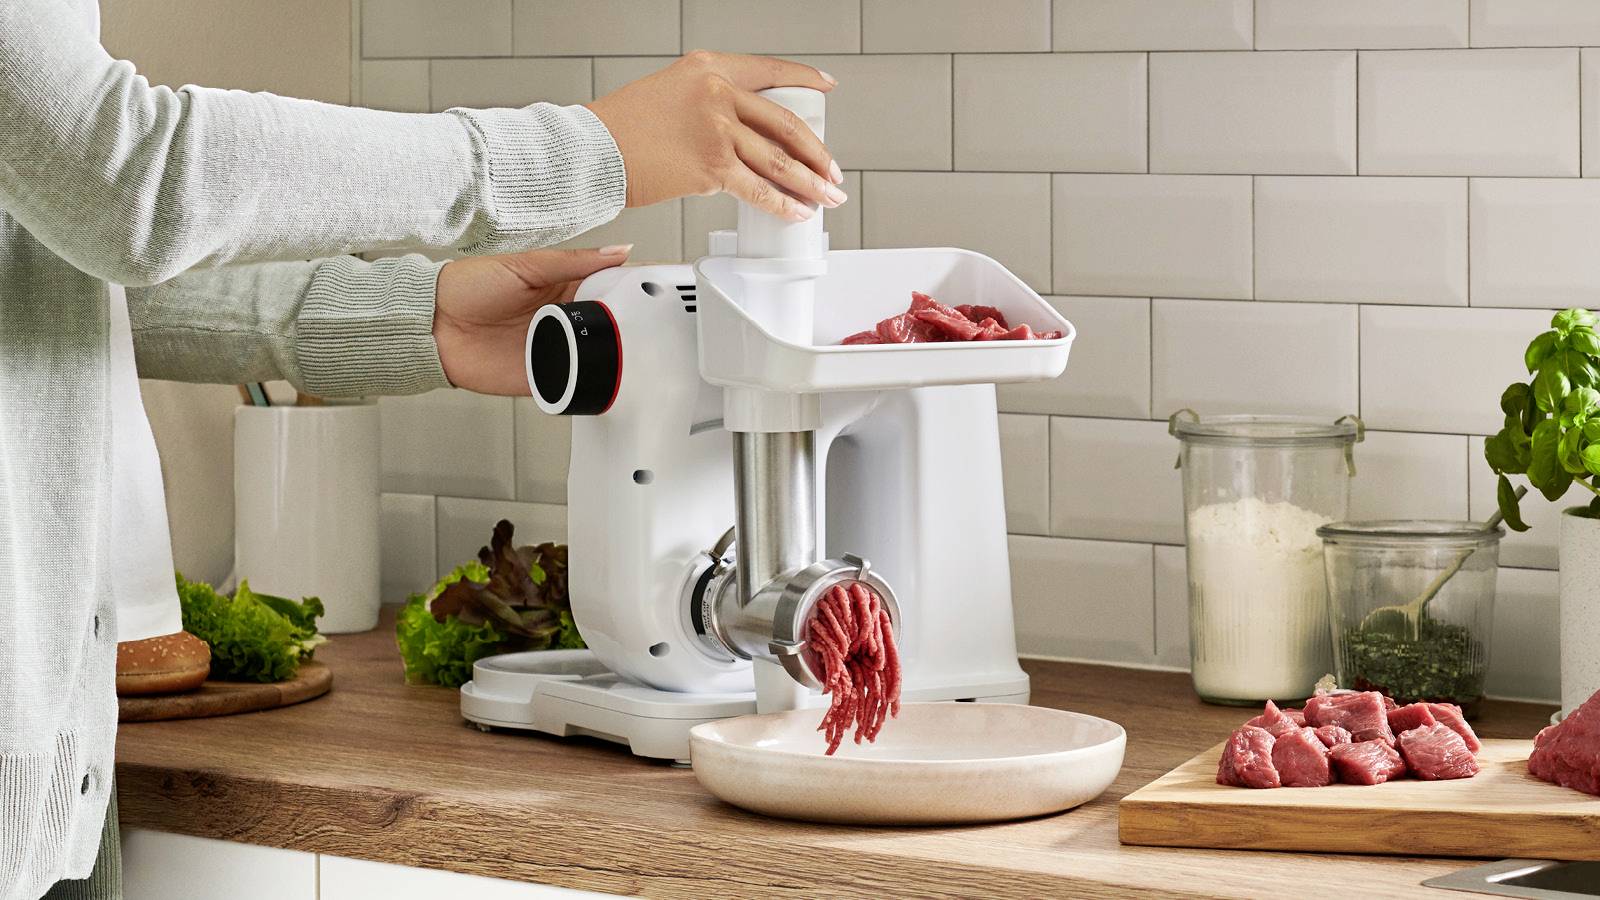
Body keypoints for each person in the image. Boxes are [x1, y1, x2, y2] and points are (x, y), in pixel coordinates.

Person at [0, 1, 845, 896]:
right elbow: (125, 176)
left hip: (53, 745)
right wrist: (587, 151)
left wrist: (413, 317)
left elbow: (47, 265)